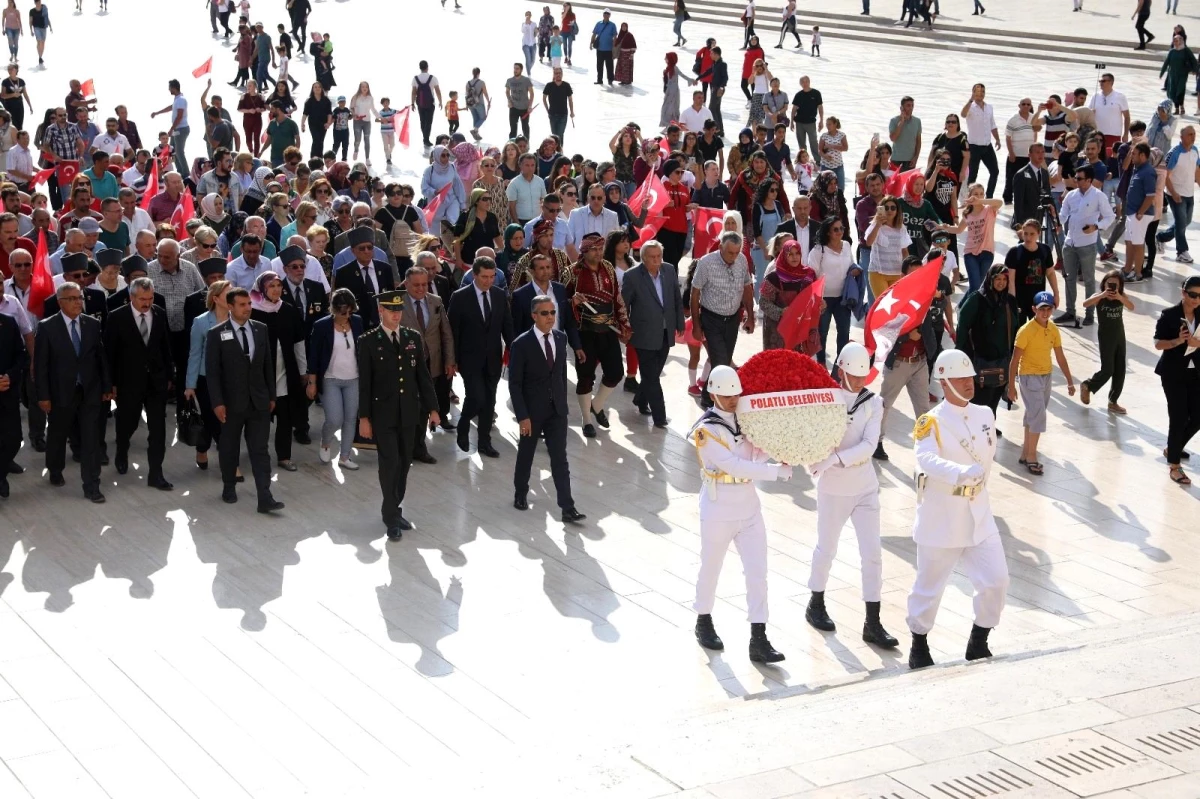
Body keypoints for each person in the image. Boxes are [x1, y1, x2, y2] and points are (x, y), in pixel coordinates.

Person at [906, 349, 1009, 670]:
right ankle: (919, 642)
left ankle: (979, 640)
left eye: (970, 377)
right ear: (944, 382)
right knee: (929, 588)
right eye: (961, 379)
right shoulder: (931, 421)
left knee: (997, 580)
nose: (969, 383)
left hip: (978, 512)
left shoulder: (984, 415)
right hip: (942, 514)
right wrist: (958, 472)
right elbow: (925, 458)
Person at [690, 364, 791, 663]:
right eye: (726, 394)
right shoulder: (706, 430)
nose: (733, 400)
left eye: (736, 394)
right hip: (719, 506)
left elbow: (755, 454)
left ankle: (758, 637)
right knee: (711, 567)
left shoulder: (745, 421)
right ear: (712, 394)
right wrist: (775, 472)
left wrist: (778, 448)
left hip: (748, 506)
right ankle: (703, 620)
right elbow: (733, 465)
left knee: (758, 572)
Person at [804, 342, 897, 648]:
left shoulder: (873, 402)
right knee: (826, 549)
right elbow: (811, 438)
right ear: (841, 368)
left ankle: (873, 621)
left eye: (864, 376)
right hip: (833, 489)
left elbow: (870, 445)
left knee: (872, 556)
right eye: (855, 376)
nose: (860, 382)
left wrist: (834, 459)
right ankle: (815, 602)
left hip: (865, 488)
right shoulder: (824, 399)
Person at [357, 290, 438, 539]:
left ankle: (393, 506)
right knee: (390, 463)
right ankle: (390, 515)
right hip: (383, 414)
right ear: (381, 310)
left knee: (404, 463)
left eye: (399, 311)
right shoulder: (368, 341)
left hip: (408, 414)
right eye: (391, 311)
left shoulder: (411, 337)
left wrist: (433, 409)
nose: (396, 315)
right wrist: (364, 418)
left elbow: (422, 377)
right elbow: (365, 384)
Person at [206, 285, 284, 514]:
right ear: (230, 307)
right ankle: (229, 486)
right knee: (229, 447)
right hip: (231, 404)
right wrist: (217, 403)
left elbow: (267, 365)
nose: (247, 308)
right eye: (242, 305)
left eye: (249, 303)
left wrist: (271, 395)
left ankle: (265, 496)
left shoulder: (260, 329)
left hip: (259, 402)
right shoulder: (216, 334)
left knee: (260, 450)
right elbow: (213, 372)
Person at [509, 292, 586, 523]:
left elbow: (560, 374)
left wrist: (563, 402)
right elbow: (515, 384)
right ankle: (520, 493)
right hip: (532, 413)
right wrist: (522, 415)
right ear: (534, 316)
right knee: (526, 454)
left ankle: (567, 507)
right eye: (545, 313)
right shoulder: (521, 344)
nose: (550, 317)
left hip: (557, 412)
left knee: (560, 459)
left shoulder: (561, 338)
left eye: (553, 312)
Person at [35, 280, 111, 502]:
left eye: (80, 298)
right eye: (72, 299)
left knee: (91, 438)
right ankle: (55, 469)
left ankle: (92, 485)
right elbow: (41, 366)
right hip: (60, 393)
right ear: (60, 302)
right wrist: (43, 396)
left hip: (90, 391)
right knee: (58, 435)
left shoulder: (92, 324)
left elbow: (101, 358)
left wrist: (106, 386)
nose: (78, 302)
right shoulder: (47, 327)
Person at [102, 275, 174, 489]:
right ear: (131, 297)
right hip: (128, 383)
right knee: (127, 423)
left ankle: (156, 473)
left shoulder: (159, 314)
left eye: (150, 298)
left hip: (156, 382)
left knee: (158, 430)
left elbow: (165, 347)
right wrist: (111, 383)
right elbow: (109, 353)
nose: (147, 303)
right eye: (143, 299)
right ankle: (122, 450)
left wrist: (169, 376)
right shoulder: (117, 317)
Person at [449, 256, 513, 457]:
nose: (488, 281)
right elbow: (453, 331)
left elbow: (507, 327)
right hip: (469, 359)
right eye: (484, 276)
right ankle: (464, 424)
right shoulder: (460, 297)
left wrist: (516, 350)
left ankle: (485, 442)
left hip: (493, 358)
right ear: (475, 275)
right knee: (476, 396)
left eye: (492, 276)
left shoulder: (499, 295)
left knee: (489, 401)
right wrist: (453, 360)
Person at [1006, 291, 1076, 476]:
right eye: (1042, 309)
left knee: (1033, 414)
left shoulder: (1053, 328)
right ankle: (1031, 457)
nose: (1045, 313)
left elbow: (1060, 356)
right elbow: (1014, 361)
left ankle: (1025, 453)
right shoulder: (1025, 331)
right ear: (1034, 309)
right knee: (1038, 416)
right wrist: (1011, 386)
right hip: (1029, 376)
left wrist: (1069, 380)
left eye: (1049, 308)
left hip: (1046, 376)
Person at [568, 233, 629, 436]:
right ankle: (587, 420)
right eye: (593, 249)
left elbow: (616, 297)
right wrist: (572, 302)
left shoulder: (609, 268)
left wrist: (624, 323)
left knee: (615, 372)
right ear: (584, 250)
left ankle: (597, 404)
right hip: (585, 332)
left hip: (608, 330)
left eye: (600, 248)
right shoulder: (573, 273)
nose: (598, 252)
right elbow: (560, 302)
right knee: (585, 376)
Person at [622, 240, 684, 427]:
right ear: (643, 258)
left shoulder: (669, 270)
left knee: (653, 372)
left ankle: (640, 399)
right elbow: (624, 305)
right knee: (651, 375)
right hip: (643, 333)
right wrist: (624, 329)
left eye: (659, 256)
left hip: (665, 331)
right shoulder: (632, 276)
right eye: (652, 257)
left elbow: (676, 298)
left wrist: (680, 322)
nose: (657, 260)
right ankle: (660, 416)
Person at [691, 231, 754, 408]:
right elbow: (695, 294)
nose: (733, 256)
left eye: (736, 252)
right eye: (730, 252)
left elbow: (747, 287)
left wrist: (750, 316)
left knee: (724, 361)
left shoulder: (741, 260)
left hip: (733, 319)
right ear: (720, 248)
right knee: (719, 361)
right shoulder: (706, 263)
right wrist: (696, 325)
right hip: (711, 319)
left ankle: (707, 395)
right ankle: (714, 403)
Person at [399, 264, 456, 459]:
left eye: (424, 284)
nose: (421, 289)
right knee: (408, 407)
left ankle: (419, 447)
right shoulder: (396, 303)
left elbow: (446, 333)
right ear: (406, 284)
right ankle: (405, 445)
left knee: (424, 406)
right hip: (405, 365)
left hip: (431, 364)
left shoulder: (436, 301)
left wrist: (450, 360)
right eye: (416, 285)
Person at [956, 263, 1019, 424]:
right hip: (979, 360)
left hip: (1002, 360)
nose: (1001, 283)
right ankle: (975, 428)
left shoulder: (1009, 302)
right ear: (990, 279)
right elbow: (963, 326)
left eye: (1004, 279)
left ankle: (989, 426)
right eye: (997, 278)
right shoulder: (977, 299)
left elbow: (1016, 329)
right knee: (979, 400)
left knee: (995, 398)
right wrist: (962, 354)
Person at [1057, 165, 1114, 329]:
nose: (1076, 180)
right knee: (1069, 279)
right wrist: (1057, 220)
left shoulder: (1099, 196)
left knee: (1089, 280)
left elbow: (1110, 217)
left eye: (1079, 178)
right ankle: (1070, 311)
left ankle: (1090, 314)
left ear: (1089, 180)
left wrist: (1095, 227)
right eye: (1076, 178)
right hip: (1069, 244)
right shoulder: (1071, 195)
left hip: (1087, 245)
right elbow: (1063, 215)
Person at [1156, 275, 1200, 485]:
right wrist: (1179, 341)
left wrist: (1196, 343)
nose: (1196, 300)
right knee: (1179, 416)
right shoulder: (1169, 315)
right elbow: (1158, 344)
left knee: (1198, 416)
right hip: (1173, 373)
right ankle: (1174, 465)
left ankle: (1172, 448)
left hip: (1195, 372)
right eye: (1192, 295)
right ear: (1183, 292)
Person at [1080, 270, 1134, 415]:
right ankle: (1088, 385)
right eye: (1109, 283)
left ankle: (1113, 401)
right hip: (1106, 336)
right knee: (1108, 369)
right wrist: (1103, 295)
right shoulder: (1099, 297)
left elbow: (1131, 307)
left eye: (1115, 284)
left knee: (1120, 369)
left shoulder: (1121, 296)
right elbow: (1085, 304)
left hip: (1120, 335)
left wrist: (1120, 297)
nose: (1112, 287)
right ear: (1104, 283)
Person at [962, 83, 1000, 199]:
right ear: (973, 93)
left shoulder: (989, 107)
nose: (980, 94)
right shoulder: (971, 107)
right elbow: (963, 114)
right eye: (977, 92)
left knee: (995, 171)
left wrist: (997, 139)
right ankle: (970, 199)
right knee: (973, 174)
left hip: (987, 146)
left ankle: (989, 196)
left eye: (982, 92)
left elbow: (992, 124)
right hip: (974, 146)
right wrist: (970, 100)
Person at [0, 303, 22, 498]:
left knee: (14, 439)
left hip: (7, 393)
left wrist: (10, 376)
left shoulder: (8, 323)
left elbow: (20, 356)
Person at [149, 80, 191, 177]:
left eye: (170, 87)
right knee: (172, 150)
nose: (169, 89)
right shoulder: (177, 99)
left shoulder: (181, 99)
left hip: (181, 129)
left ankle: (185, 174)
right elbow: (171, 107)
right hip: (177, 130)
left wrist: (172, 128)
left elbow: (179, 116)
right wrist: (157, 113)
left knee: (179, 151)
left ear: (173, 87)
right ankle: (180, 171)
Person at [411, 61, 442, 150]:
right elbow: (437, 91)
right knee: (429, 122)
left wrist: (412, 103)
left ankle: (425, 138)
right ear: (427, 67)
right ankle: (426, 139)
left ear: (419, 67)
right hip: (430, 103)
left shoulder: (415, 78)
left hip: (420, 103)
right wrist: (440, 101)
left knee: (422, 121)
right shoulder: (433, 78)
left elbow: (413, 92)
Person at [591, 10, 617, 86]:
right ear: (603, 14)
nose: (606, 15)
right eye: (605, 13)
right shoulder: (598, 24)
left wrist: (614, 46)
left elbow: (615, 36)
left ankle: (610, 79)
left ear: (610, 15)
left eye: (608, 14)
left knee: (609, 65)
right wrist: (591, 42)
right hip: (599, 49)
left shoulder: (612, 25)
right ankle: (599, 80)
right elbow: (594, 34)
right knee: (599, 65)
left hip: (609, 49)